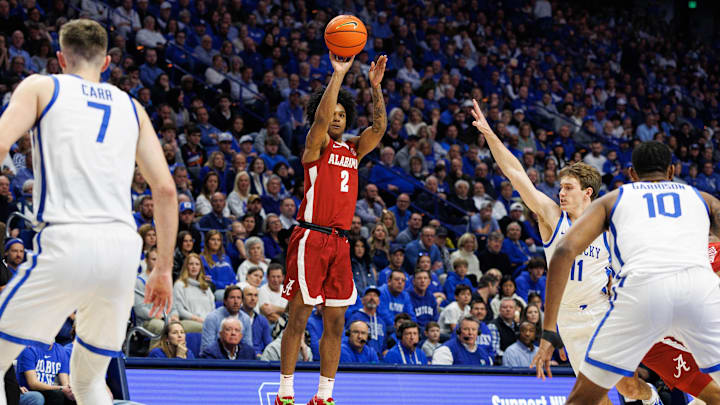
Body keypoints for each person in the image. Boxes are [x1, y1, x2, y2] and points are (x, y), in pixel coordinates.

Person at [0, 19, 178, 405]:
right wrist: (162, 269)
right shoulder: (132, 108)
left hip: (68, 240)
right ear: (108, 62)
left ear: (61, 58)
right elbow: (165, 190)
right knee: (88, 382)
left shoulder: (41, 86)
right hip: (121, 253)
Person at [471, 101, 660, 402]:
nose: (561, 192)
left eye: (569, 187)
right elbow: (516, 175)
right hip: (569, 321)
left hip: (603, 314)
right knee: (595, 399)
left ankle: (651, 398)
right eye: (560, 186)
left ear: (587, 193)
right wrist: (490, 134)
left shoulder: (611, 224)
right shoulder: (551, 218)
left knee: (628, 388)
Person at [533, 141, 720, 404]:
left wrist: (550, 328)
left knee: (584, 397)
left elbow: (563, 253)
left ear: (631, 174)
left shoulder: (615, 199)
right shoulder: (700, 197)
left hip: (644, 296)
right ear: (671, 171)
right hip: (697, 292)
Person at [200, 286, 253, 353]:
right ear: (225, 301)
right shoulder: (212, 318)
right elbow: (206, 348)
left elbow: (248, 345)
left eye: (238, 298)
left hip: (238, 359)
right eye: (232, 298)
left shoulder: (246, 319)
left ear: (242, 301)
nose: (236, 301)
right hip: (215, 359)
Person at [173, 253, 215, 333]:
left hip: (206, 321)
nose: (194, 267)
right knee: (207, 329)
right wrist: (198, 319)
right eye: (191, 264)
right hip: (188, 321)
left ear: (200, 268)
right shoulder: (179, 285)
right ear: (186, 267)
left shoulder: (206, 287)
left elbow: (213, 309)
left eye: (197, 264)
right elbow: (179, 309)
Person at [346, 286, 386, 358]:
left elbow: (384, 345)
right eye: (369, 295)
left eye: (375, 295)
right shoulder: (355, 317)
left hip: (378, 360)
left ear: (379, 301)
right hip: (360, 357)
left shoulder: (381, 322)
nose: (372, 298)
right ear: (362, 300)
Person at [241, 285, 272, 357]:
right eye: (249, 295)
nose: (253, 298)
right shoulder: (235, 318)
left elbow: (268, 343)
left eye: (255, 295)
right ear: (242, 298)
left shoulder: (262, 320)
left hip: (259, 357)